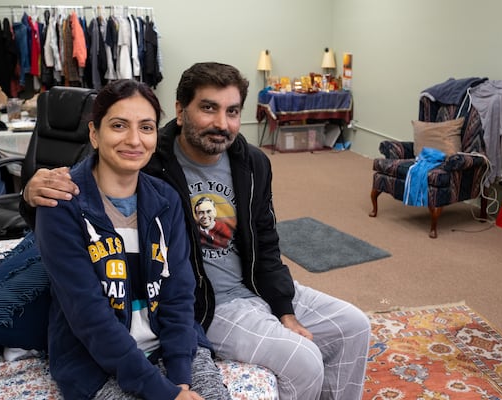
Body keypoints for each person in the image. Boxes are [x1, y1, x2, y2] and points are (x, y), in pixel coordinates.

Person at [24, 62, 371, 400]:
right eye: (208, 108)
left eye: (232, 111)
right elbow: (87, 182)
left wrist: (283, 307)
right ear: (180, 110)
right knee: (303, 360)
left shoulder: (250, 163)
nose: (222, 123)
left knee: (355, 326)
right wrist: (29, 195)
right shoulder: (150, 160)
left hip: (245, 290)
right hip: (209, 303)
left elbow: (265, 240)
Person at [33, 79, 230, 400]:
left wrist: (180, 377)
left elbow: (179, 294)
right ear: (95, 134)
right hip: (95, 359)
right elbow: (88, 316)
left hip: (172, 346)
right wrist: (161, 392)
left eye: (146, 127)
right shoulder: (61, 203)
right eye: (119, 125)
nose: (134, 140)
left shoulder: (165, 198)